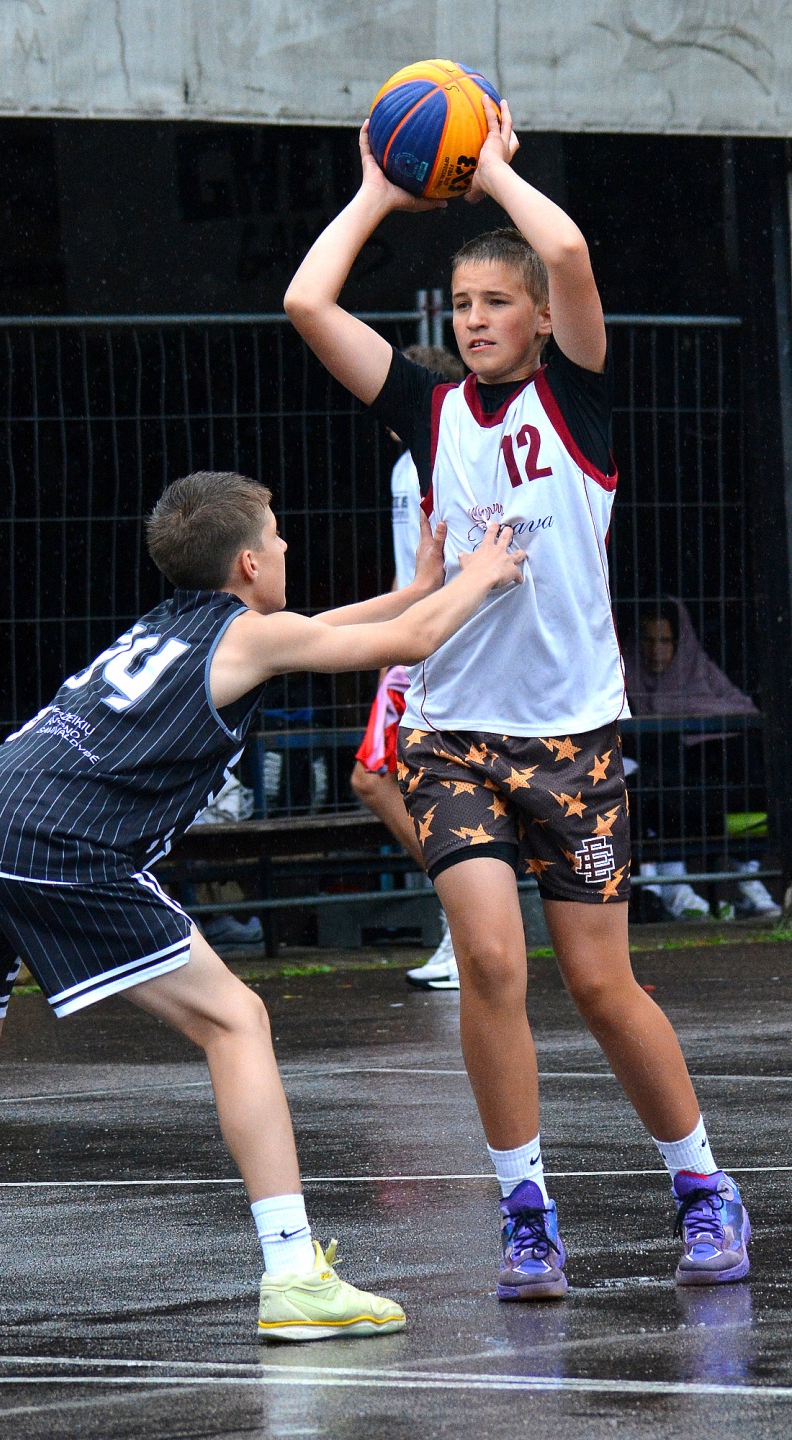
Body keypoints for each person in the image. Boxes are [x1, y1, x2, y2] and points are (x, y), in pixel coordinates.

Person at [0, 469, 525, 1349]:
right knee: (236, 1020)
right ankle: (294, 1276)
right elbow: (408, 642)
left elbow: (328, 629)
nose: (284, 546)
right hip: (52, 841)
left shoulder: (171, 626)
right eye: (276, 535)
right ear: (247, 563)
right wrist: (481, 572)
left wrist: (418, 586)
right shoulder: (245, 636)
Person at [284, 97, 751, 1299]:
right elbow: (307, 305)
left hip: (573, 739)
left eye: (497, 302)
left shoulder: (575, 401)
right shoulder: (429, 411)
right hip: (451, 737)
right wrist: (378, 193)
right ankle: (525, 1214)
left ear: (540, 319)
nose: (475, 320)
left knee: (599, 984)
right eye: (460, 305)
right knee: (491, 964)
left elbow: (569, 250)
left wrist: (488, 167)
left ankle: (702, 1185)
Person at [352, 345, 466, 990]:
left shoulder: (443, 458)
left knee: (378, 778)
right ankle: (467, 913)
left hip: (434, 638)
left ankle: (465, 916)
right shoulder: (408, 465)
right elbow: (412, 568)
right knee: (382, 778)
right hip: (415, 638)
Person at [624, 597, 780, 921]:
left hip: (706, 789)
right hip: (663, 793)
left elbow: (743, 711)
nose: (656, 651)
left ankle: (744, 878)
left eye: (665, 641)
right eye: (648, 641)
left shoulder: (699, 673)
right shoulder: (625, 679)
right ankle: (671, 889)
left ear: (680, 642)